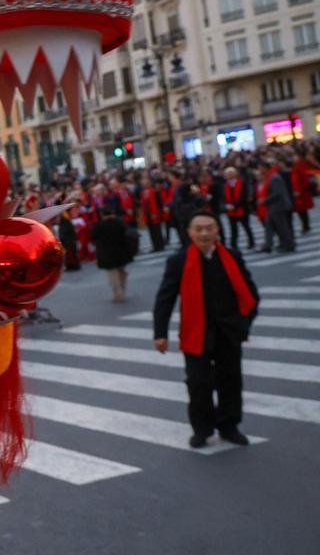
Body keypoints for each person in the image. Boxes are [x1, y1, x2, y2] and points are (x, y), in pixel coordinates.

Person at [153, 210, 259, 448]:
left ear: (217, 230)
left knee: (230, 381)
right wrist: (160, 333)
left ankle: (229, 425)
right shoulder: (178, 261)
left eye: (209, 227)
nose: (204, 233)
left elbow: (250, 294)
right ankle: (202, 429)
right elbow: (165, 299)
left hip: (227, 332)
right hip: (196, 333)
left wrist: (243, 324)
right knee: (198, 384)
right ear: (190, 232)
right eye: (198, 228)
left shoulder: (232, 256)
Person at [90, 208, 132, 302]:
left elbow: (93, 237)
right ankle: (122, 290)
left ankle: (117, 293)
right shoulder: (119, 222)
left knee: (112, 275)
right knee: (122, 272)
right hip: (121, 252)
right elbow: (127, 233)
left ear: (102, 215)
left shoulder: (99, 225)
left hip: (106, 254)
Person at [256, 161, 295, 253]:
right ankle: (268, 245)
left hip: (278, 206)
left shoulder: (274, 177)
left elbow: (277, 193)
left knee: (282, 227)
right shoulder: (270, 177)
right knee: (269, 226)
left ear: (265, 168)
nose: (259, 170)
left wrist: (264, 200)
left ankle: (289, 245)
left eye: (260, 168)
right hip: (272, 206)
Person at [222, 166, 256, 250]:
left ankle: (251, 242)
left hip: (242, 208)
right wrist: (226, 205)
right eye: (227, 174)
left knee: (246, 226)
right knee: (233, 228)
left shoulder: (242, 183)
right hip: (230, 210)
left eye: (230, 173)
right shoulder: (225, 185)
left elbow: (243, 196)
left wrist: (235, 205)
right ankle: (233, 244)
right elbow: (223, 197)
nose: (229, 175)